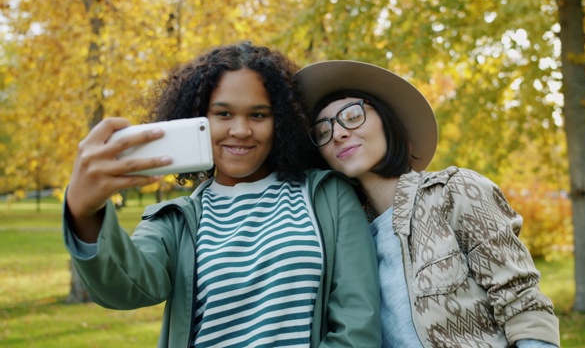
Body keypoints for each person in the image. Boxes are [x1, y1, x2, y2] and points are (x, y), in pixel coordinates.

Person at [62, 43, 381, 347]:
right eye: (223, 114)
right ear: (196, 118)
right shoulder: (178, 221)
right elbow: (125, 288)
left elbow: (358, 327)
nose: (241, 130)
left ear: (281, 121)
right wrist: (83, 210)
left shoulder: (328, 196)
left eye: (258, 115)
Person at [295, 60, 561, 348]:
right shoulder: (345, 238)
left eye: (351, 115)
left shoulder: (454, 191)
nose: (338, 133)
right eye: (323, 131)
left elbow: (523, 302)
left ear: (387, 120)